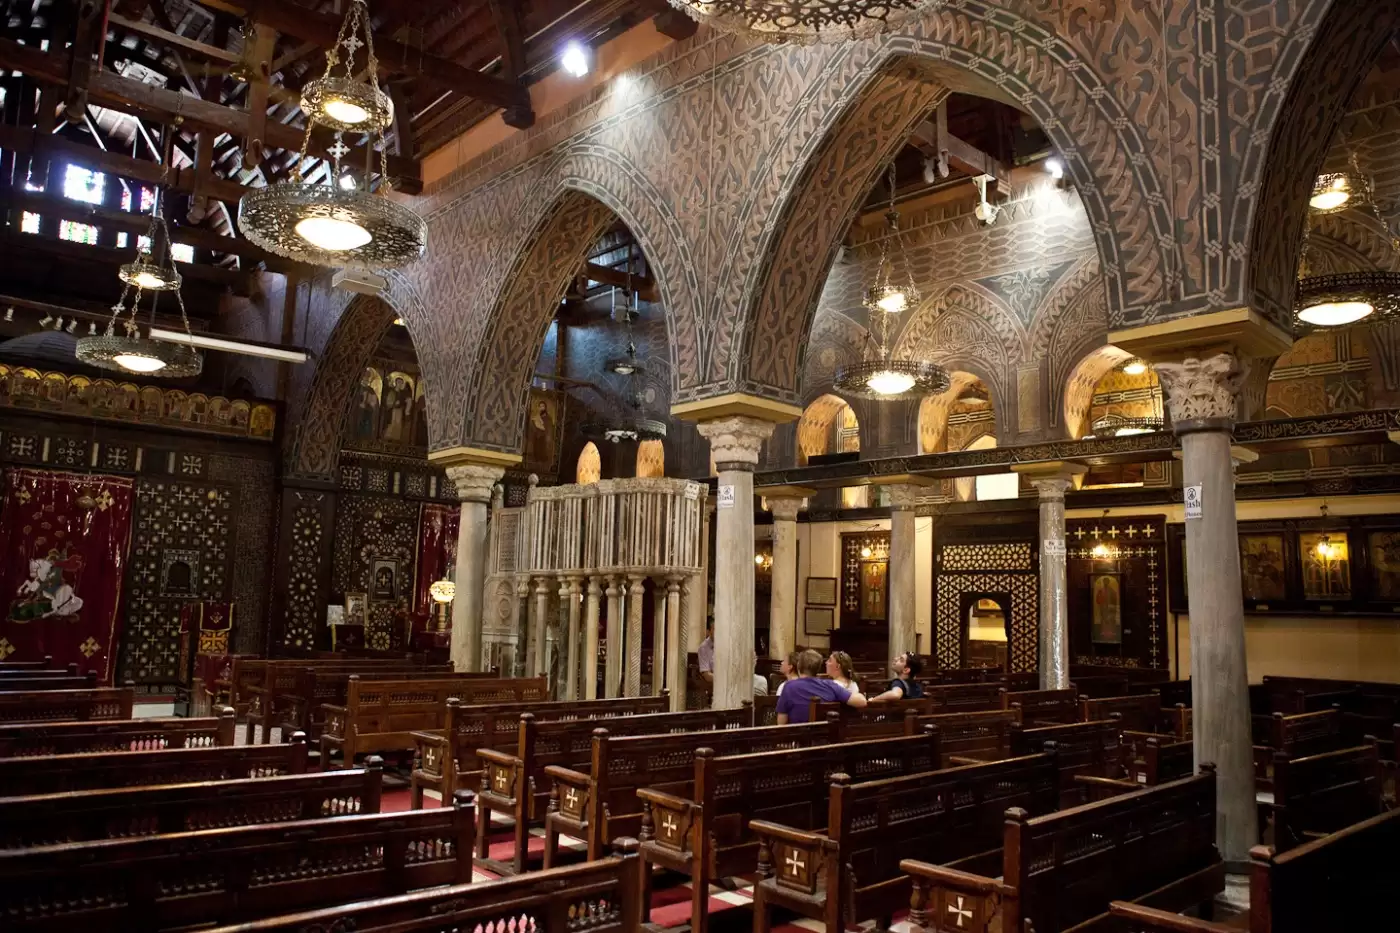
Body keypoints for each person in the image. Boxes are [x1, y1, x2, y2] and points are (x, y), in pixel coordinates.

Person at [776, 649, 867, 724]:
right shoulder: (830, 685)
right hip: (826, 737)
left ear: (799, 666)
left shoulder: (789, 686)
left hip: (798, 738)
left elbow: (781, 723)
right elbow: (862, 701)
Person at [698, 617, 714, 684]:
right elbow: (707, 675)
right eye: (715, 629)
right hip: (714, 685)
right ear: (708, 631)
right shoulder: (703, 648)